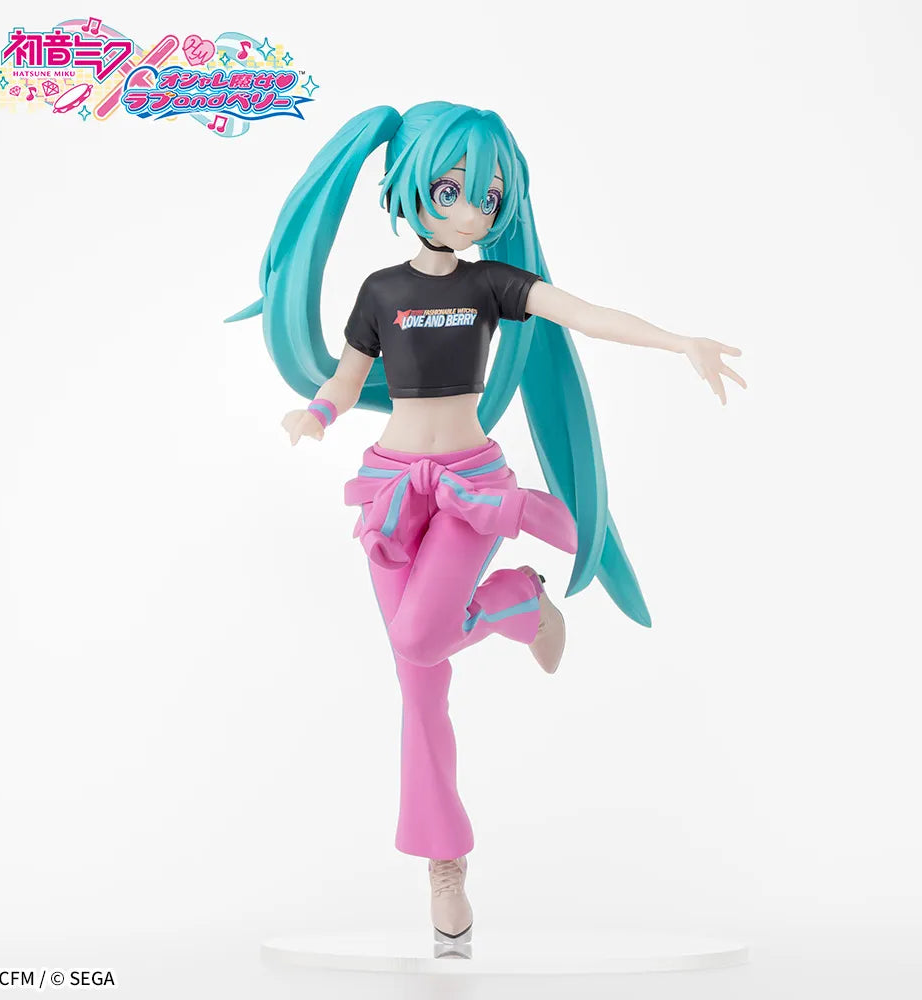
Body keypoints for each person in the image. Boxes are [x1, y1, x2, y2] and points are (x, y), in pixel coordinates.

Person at [226, 101, 746, 944]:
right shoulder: (381, 291)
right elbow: (348, 379)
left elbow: (585, 313)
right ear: (409, 186)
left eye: (490, 195)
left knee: (421, 638)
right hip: (392, 492)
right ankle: (445, 859)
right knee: (418, 681)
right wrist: (316, 415)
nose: (472, 209)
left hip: (469, 489)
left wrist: (677, 341)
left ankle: (517, 582)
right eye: (453, 188)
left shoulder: (490, 285)